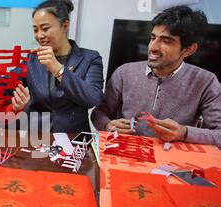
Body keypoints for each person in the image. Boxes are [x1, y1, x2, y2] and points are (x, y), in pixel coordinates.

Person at [91, 6, 221, 148]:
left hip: (174, 163)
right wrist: (108, 125)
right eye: (153, 37)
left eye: (166, 41)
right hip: (125, 154)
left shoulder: (206, 82)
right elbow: (99, 113)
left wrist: (184, 133)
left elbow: (219, 135)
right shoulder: (124, 72)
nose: (153, 47)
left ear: (189, 49)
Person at [23, 0, 104, 133]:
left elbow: (93, 98)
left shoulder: (90, 58)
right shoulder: (33, 59)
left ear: (65, 25)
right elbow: (7, 84)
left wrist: (57, 68)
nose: (39, 35)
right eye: (35, 30)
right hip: (37, 138)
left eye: (45, 28)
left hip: (73, 139)